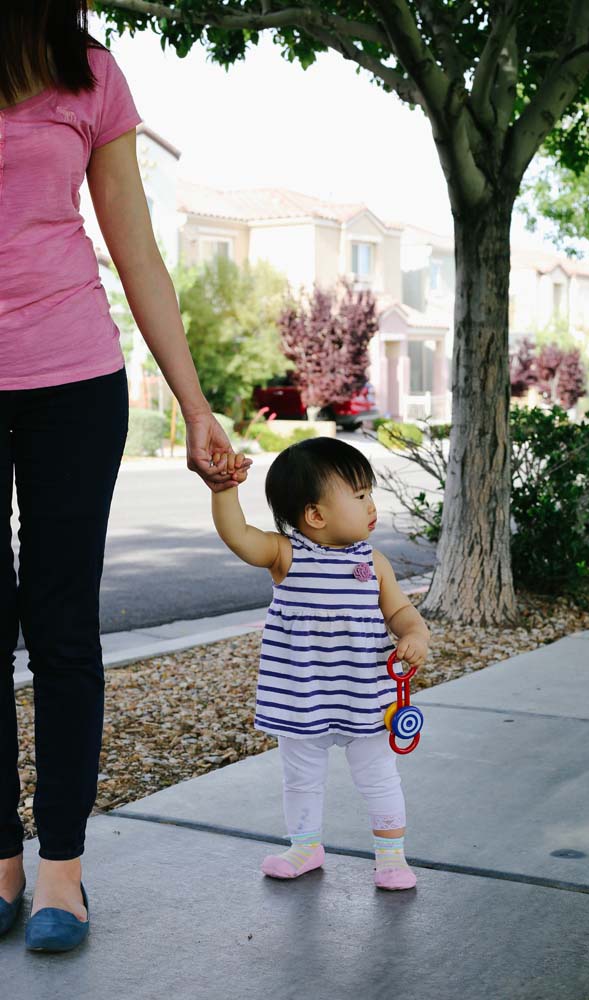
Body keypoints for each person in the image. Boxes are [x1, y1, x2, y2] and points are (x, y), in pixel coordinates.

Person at [0, 2, 247, 951]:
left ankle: (60, 866)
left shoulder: (91, 75)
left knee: (62, 628)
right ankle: (1, 865)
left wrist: (194, 407)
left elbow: (135, 248)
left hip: (73, 379)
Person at [212, 437, 430, 890]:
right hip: (302, 696)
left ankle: (391, 855)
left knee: (378, 775)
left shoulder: (374, 563)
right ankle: (305, 846)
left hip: (364, 696)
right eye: (359, 496)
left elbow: (400, 612)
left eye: (370, 493)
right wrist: (224, 490)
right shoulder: (286, 556)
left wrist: (414, 632)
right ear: (315, 515)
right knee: (301, 778)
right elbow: (238, 535)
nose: (372, 504)